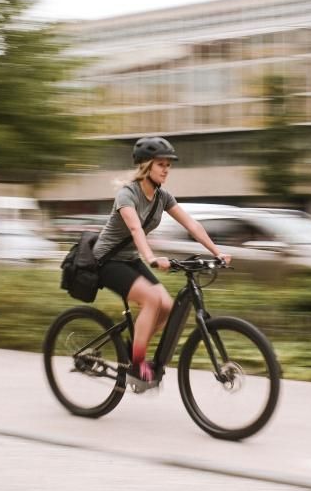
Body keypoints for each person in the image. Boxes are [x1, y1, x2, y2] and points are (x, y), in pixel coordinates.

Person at [92, 136, 231, 386]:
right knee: (152, 300)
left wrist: (216, 252)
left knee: (166, 305)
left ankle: (135, 347)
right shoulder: (127, 195)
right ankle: (136, 363)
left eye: (168, 165)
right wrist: (152, 258)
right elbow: (135, 229)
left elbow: (191, 224)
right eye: (161, 164)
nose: (166, 170)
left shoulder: (162, 196)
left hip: (130, 259)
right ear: (146, 166)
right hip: (107, 260)